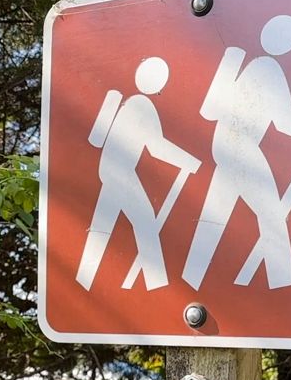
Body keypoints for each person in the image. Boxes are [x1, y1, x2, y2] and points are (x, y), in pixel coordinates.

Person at [182, 15, 291, 291]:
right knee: (272, 215)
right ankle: (284, 286)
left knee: (214, 216)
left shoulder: (252, 65)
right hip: (241, 149)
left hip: (223, 147)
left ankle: (190, 280)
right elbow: (284, 119)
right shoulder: (268, 69)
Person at [76, 57, 201, 291]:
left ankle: (83, 280)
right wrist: (189, 161)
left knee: (102, 227)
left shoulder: (130, 102)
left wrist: (187, 161)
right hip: (120, 172)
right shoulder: (143, 106)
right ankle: (158, 284)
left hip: (111, 170)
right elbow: (156, 146)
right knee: (145, 220)